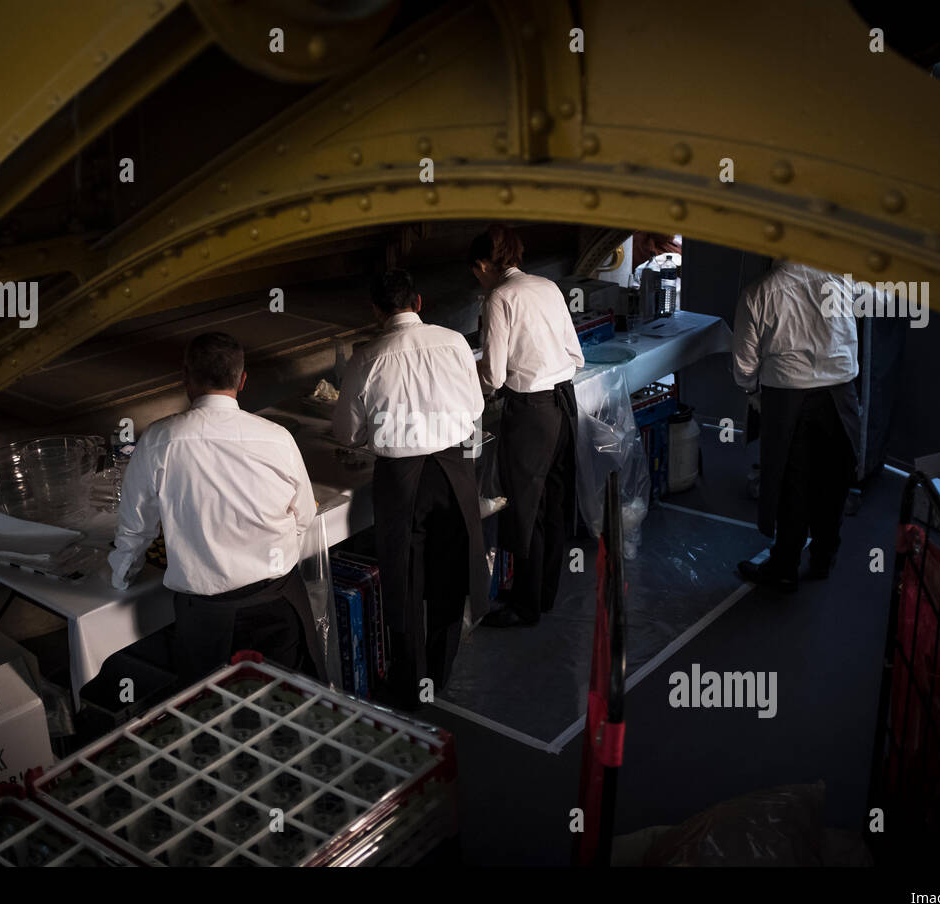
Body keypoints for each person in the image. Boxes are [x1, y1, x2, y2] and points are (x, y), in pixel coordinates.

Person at [109, 332, 318, 685]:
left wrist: (120, 577)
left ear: (185, 377)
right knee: (285, 707)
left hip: (205, 616)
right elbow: (304, 516)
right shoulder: (277, 437)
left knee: (211, 712)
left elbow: (136, 528)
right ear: (242, 379)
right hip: (278, 601)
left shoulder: (160, 439)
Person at [332, 269, 489, 710]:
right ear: (418, 302)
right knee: (450, 570)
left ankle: (409, 682)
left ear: (377, 311)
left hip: (400, 479)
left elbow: (345, 432)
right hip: (453, 469)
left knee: (403, 577)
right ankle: (440, 673)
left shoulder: (367, 357)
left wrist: (375, 435)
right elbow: (476, 405)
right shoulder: (454, 342)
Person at [470, 223, 584, 627]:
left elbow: (495, 377)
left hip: (532, 412)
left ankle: (525, 606)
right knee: (553, 502)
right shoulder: (548, 286)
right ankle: (544, 594)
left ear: (484, 265)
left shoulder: (499, 297)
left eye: (476, 273)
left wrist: (470, 374)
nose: (478, 280)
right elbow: (575, 353)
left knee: (526, 509)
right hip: (564, 404)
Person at [731, 261, 861, 592]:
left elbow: (744, 366)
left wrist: (753, 392)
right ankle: (822, 558)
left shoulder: (757, 293)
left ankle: (784, 567)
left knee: (791, 483)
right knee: (834, 481)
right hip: (840, 395)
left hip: (788, 398)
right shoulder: (843, 279)